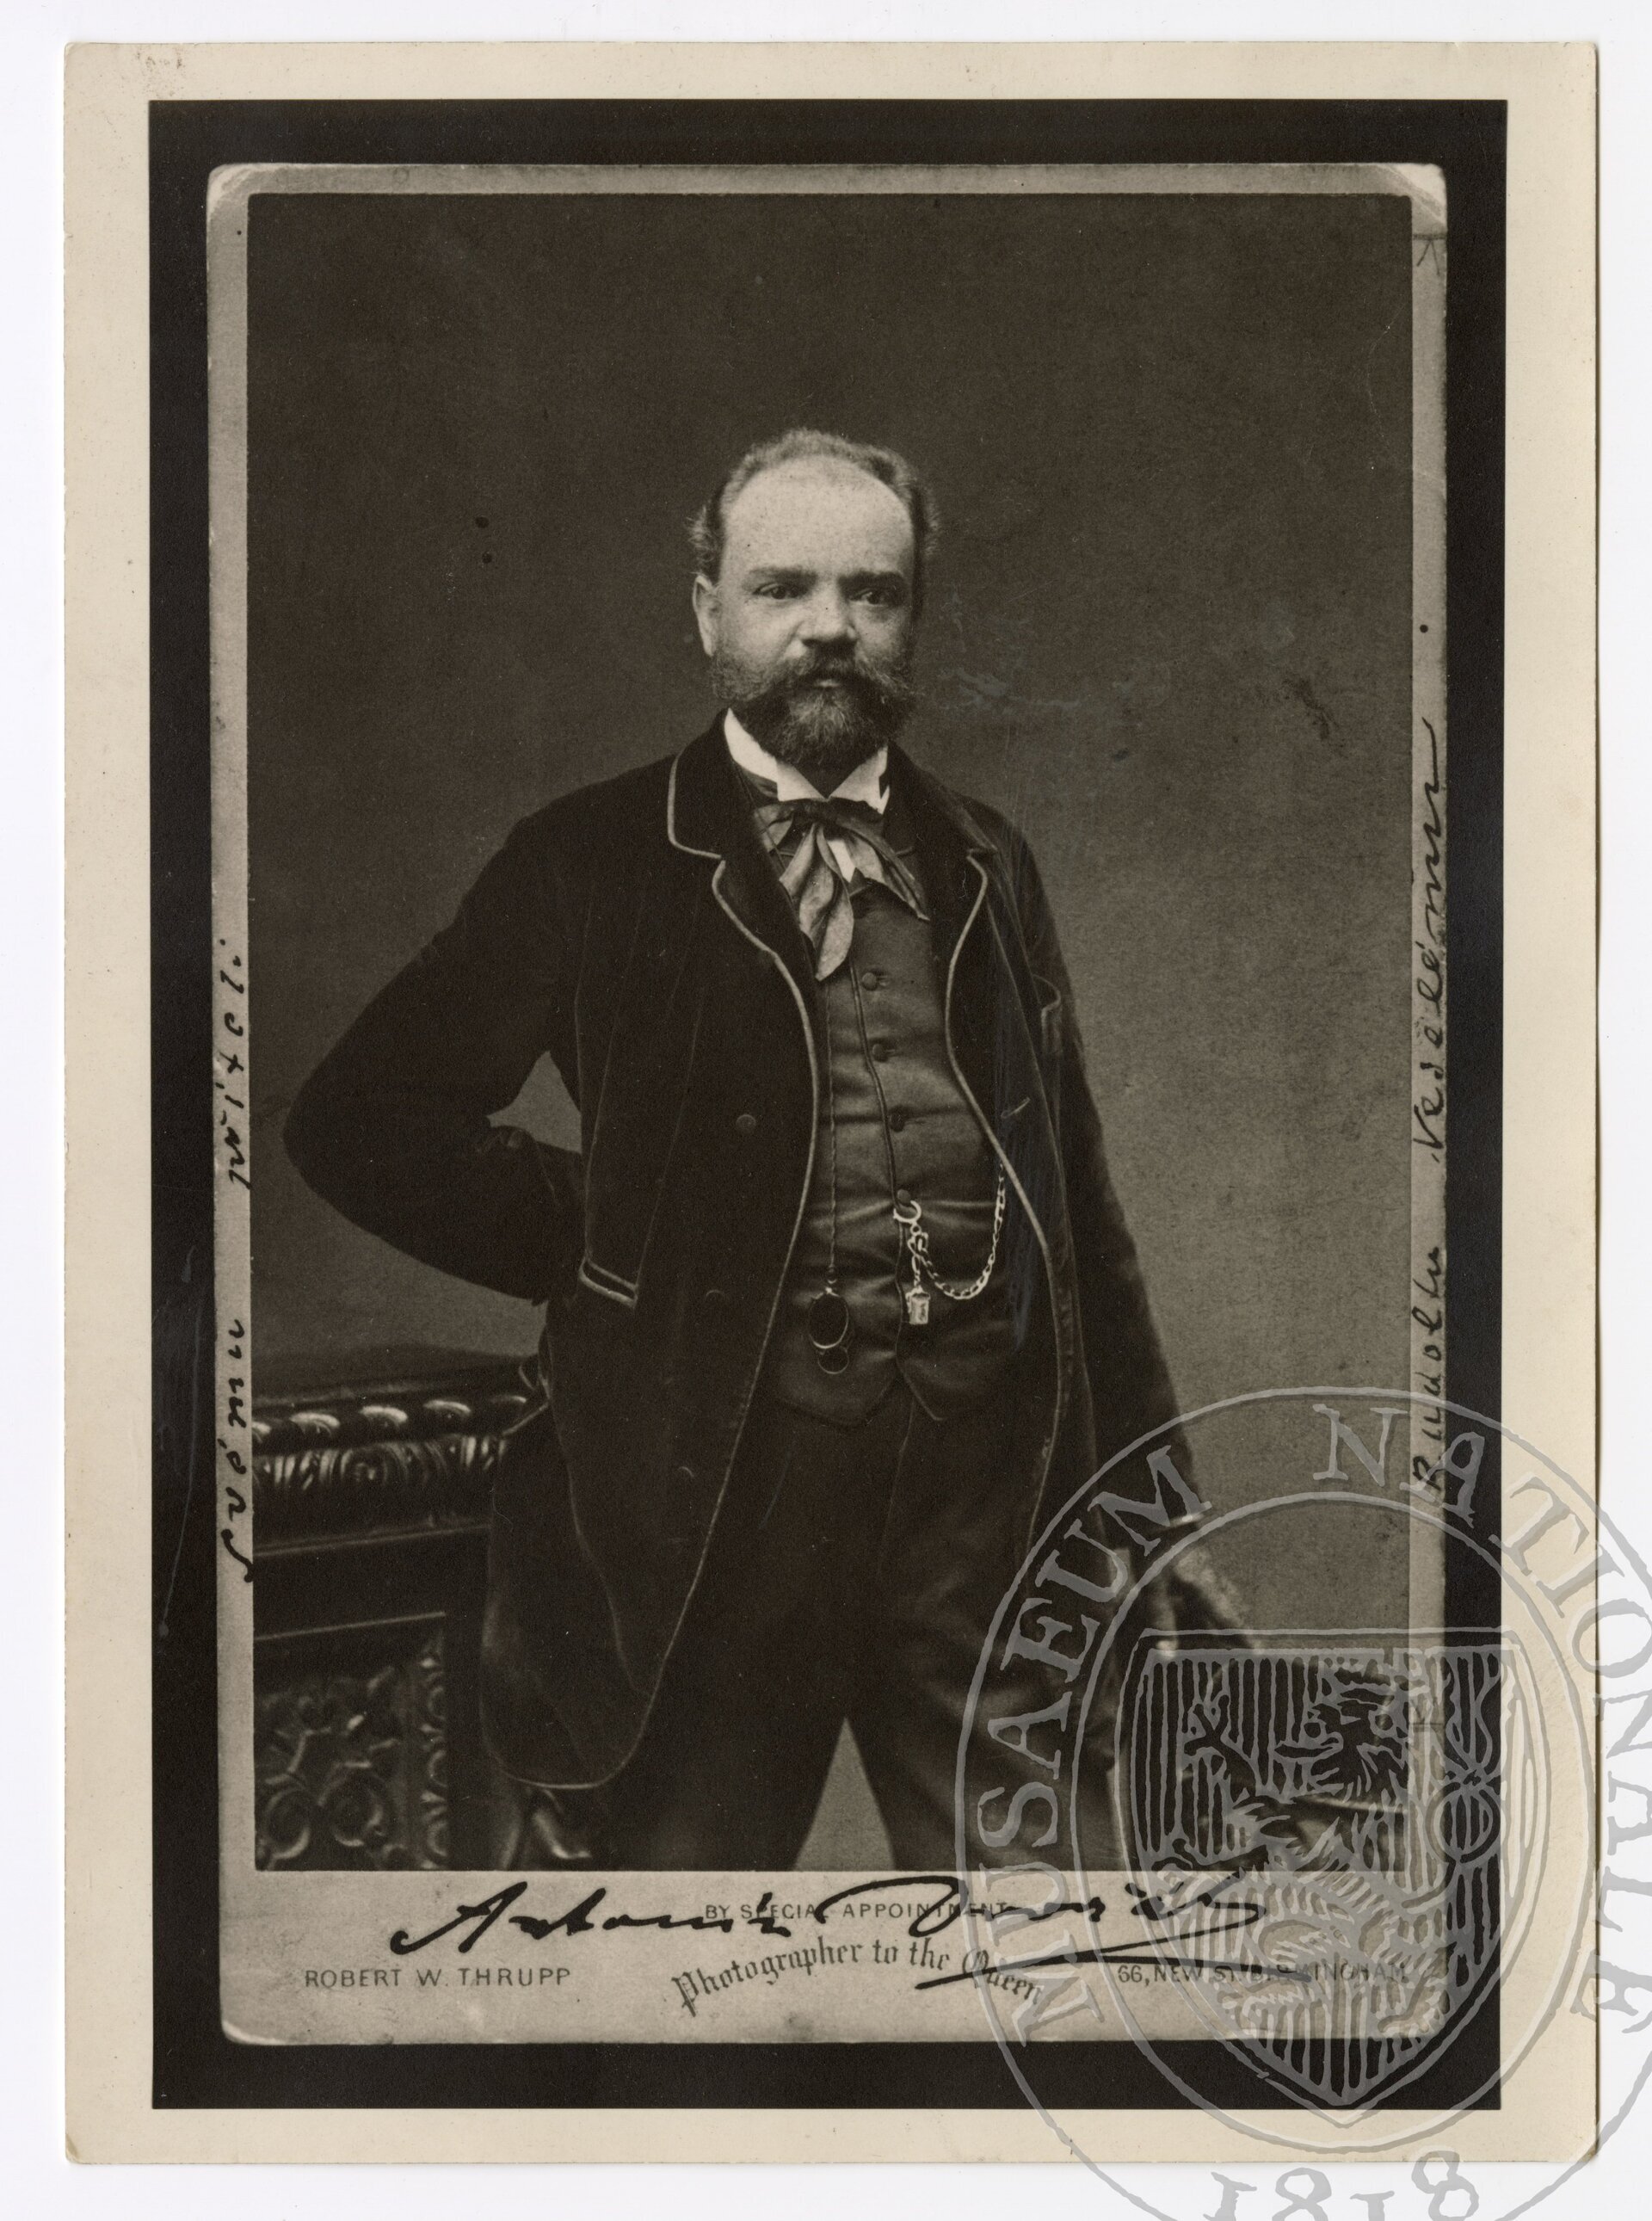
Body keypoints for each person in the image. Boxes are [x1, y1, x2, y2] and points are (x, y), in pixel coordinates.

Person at [286, 428, 1212, 1871]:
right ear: (707, 609)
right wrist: (607, 1237)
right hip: (712, 1514)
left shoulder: (988, 860)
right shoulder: (586, 858)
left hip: (983, 1517)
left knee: (1058, 1945)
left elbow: (1079, 1209)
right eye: (784, 588)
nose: (832, 627)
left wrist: (1158, 1507)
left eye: (873, 592)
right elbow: (355, 1118)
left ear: (913, 617)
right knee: (671, 1956)